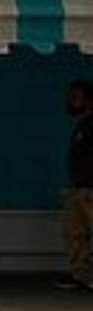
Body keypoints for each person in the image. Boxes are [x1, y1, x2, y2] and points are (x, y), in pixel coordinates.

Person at [63, 79, 93, 291]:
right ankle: (82, 276)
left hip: (90, 188)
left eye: (76, 97)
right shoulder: (82, 125)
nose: (71, 101)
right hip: (78, 187)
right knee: (74, 232)